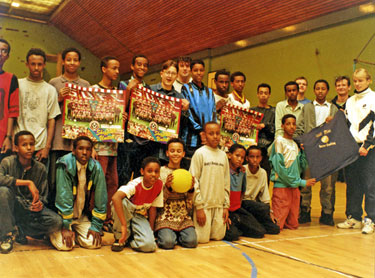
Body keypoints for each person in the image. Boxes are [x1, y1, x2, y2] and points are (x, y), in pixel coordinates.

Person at [0, 131, 62, 254]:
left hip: (28, 212)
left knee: (57, 222)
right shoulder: (7, 162)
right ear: (16, 148)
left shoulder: (40, 168)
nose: (29, 148)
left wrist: (39, 205)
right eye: (24, 145)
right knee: (3, 191)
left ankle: (20, 230)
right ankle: (7, 236)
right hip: (11, 208)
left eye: (32, 144)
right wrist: (27, 182)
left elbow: (44, 196)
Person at [48, 47, 90, 208]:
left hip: (77, 142)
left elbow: (88, 113)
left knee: (76, 180)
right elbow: (49, 110)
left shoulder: (85, 84)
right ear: (63, 62)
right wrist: (59, 98)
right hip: (58, 139)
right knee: (54, 180)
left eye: (75, 60)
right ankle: (54, 214)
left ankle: (73, 215)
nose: (72, 63)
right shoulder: (54, 82)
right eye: (69, 59)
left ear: (79, 63)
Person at [50, 136, 107, 251]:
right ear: (73, 150)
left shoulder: (96, 167)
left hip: (80, 216)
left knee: (94, 243)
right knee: (66, 246)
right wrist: (65, 227)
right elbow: (63, 197)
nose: (84, 152)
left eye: (88, 149)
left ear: (92, 151)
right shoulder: (65, 164)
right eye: (80, 148)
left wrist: (96, 226)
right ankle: (54, 232)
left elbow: (101, 198)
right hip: (61, 217)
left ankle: (75, 232)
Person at [294, 80, 338, 225]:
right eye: (317, 89)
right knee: (306, 184)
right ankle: (305, 211)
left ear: (327, 91)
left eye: (323, 89)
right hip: (310, 152)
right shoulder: (307, 108)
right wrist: (301, 141)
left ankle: (326, 213)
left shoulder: (334, 109)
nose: (320, 91)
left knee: (328, 186)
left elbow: (339, 130)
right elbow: (299, 127)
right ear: (314, 91)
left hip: (328, 152)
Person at [338, 68, 375, 234]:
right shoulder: (350, 100)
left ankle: (371, 219)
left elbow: (373, 125)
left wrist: (366, 146)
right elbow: (348, 126)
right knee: (353, 184)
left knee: (370, 185)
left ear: (369, 80)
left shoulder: (374, 98)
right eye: (355, 80)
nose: (357, 83)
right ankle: (354, 217)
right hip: (352, 150)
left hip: (369, 150)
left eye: (361, 80)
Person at [15, 48, 61, 168]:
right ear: (27, 64)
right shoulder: (18, 84)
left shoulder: (50, 90)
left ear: (44, 65)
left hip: (40, 146)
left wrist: (47, 147)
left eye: (39, 64)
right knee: (16, 183)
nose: (36, 68)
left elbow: (52, 120)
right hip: (19, 145)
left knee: (39, 184)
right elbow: (12, 114)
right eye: (33, 64)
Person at [270, 114, 316, 230]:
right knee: (277, 226)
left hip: (294, 189)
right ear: (282, 126)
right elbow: (280, 169)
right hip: (282, 188)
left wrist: (304, 152)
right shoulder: (279, 141)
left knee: (293, 225)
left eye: (294, 124)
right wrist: (302, 183)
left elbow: (301, 167)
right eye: (288, 124)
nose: (291, 127)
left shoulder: (296, 145)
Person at [91, 56, 121, 232]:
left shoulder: (118, 93)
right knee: (99, 183)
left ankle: (107, 218)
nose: (117, 71)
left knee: (112, 183)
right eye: (114, 68)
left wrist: (122, 117)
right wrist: (92, 146)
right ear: (104, 69)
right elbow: (87, 118)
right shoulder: (93, 90)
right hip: (98, 147)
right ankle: (96, 217)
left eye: (118, 68)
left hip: (113, 146)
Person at [111, 156, 163, 252]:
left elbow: (153, 208)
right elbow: (115, 198)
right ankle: (119, 237)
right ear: (142, 172)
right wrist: (123, 225)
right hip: (125, 214)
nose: (153, 174)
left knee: (149, 246)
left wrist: (150, 231)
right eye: (149, 171)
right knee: (121, 202)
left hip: (139, 216)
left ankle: (130, 238)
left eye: (156, 171)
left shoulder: (159, 185)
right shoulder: (135, 184)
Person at [189, 121, 230, 243]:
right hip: (204, 206)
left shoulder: (223, 155)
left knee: (218, 237)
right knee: (202, 240)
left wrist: (226, 206)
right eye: (211, 133)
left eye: (217, 133)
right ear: (204, 135)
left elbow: (226, 182)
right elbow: (193, 181)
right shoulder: (200, 153)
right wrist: (199, 207)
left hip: (219, 206)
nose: (215, 136)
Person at [154, 138, 197, 249]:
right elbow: (157, 201)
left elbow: (189, 202)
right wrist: (167, 188)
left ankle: (176, 236)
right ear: (167, 153)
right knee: (167, 243)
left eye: (179, 151)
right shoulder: (161, 172)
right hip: (164, 217)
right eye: (172, 151)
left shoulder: (186, 174)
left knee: (192, 242)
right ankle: (168, 236)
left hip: (183, 217)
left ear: (183, 154)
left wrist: (191, 190)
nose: (175, 154)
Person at [117, 54, 153, 186]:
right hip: (127, 135)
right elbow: (119, 108)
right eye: (139, 64)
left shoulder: (148, 88)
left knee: (140, 173)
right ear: (132, 66)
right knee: (124, 173)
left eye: (145, 65)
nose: (142, 67)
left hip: (143, 138)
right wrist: (128, 89)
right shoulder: (123, 84)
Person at [150, 60, 190, 164]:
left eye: (173, 73)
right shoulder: (150, 90)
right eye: (167, 72)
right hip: (149, 145)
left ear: (176, 76)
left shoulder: (179, 97)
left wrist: (185, 111)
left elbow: (183, 125)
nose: (169, 76)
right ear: (161, 73)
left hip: (167, 148)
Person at [224, 144, 265, 241]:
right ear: (229, 155)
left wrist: (238, 204)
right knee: (233, 235)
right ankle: (234, 224)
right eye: (237, 156)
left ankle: (237, 223)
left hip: (237, 209)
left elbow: (242, 191)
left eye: (242, 157)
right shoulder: (224, 171)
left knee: (260, 231)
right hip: (226, 210)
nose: (239, 159)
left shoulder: (242, 172)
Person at [181, 60, 216, 158]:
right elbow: (188, 112)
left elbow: (213, 112)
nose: (199, 73)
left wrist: (211, 133)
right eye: (196, 70)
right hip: (191, 139)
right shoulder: (186, 88)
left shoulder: (209, 91)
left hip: (208, 139)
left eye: (201, 70)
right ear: (191, 72)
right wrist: (200, 131)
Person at [242, 145, 280, 235]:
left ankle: (254, 223)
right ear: (247, 158)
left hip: (255, 206)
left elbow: (264, 195)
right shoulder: (243, 170)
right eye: (252, 157)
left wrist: (270, 212)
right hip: (243, 204)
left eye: (257, 157)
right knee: (262, 209)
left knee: (275, 229)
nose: (255, 160)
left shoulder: (263, 172)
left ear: (261, 158)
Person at [251, 83, 275, 180]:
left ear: (269, 95)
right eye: (261, 93)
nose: (263, 95)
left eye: (266, 93)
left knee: (265, 177)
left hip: (267, 150)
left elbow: (275, 128)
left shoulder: (274, 111)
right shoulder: (251, 111)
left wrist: (264, 126)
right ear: (257, 94)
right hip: (252, 148)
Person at [0, 39, 19, 161]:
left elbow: (13, 111)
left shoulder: (11, 79)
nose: (0, 53)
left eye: (4, 51)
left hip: (2, 138)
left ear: (7, 56)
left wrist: (8, 137)